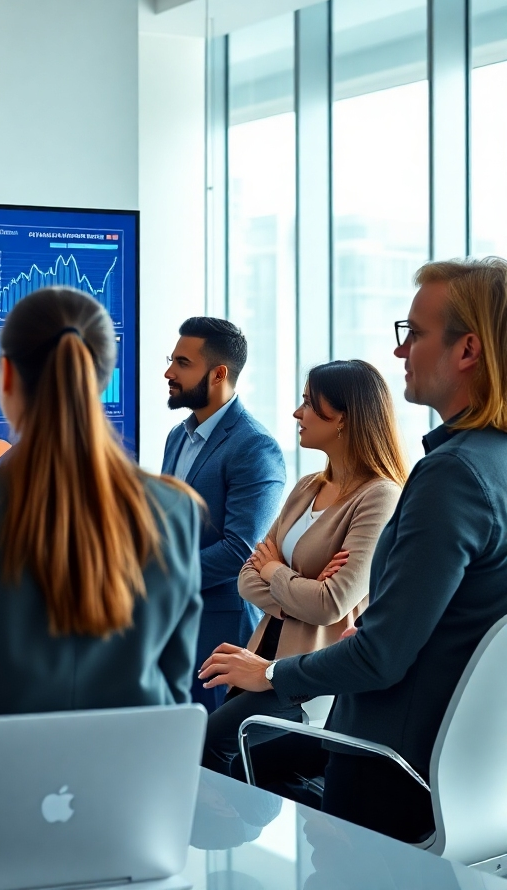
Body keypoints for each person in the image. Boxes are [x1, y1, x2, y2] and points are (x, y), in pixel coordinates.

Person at [199, 257, 507, 843]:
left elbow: (379, 657)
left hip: (387, 773)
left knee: (218, 749)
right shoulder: (493, 464)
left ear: (467, 350)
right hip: (472, 784)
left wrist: (271, 673)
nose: (400, 353)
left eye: (413, 333)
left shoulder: (452, 476)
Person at [0, 287, 203, 762]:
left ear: (5, 375)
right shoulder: (175, 510)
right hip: (129, 816)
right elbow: (170, 697)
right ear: (103, 378)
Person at [201, 360, 406, 774]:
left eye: (310, 404)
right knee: (247, 772)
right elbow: (246, 576)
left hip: (308, 679)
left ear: (345, 418)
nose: (298, 413)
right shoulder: (307, 486)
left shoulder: (380, 497)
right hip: (260, 657)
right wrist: (301, 591)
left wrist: (276, 570)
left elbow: (331, 604)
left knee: (212, 746)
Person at [161, 316, 285, 711]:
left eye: (182, 363)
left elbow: (239, 550)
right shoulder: (177, 437)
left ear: (218, 374)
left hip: (220, 633)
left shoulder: (255, 447)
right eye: (172, 360)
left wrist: (160, 577)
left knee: (214, 755)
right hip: (170, 625)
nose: (168, 372)